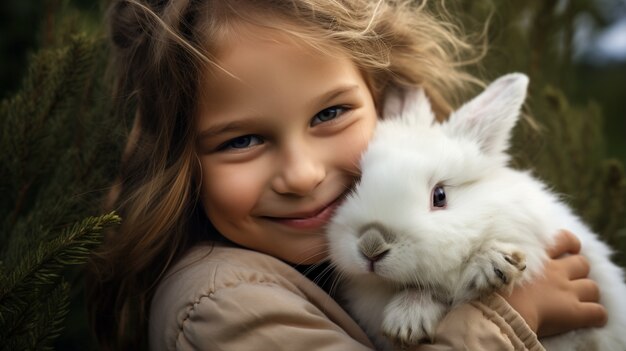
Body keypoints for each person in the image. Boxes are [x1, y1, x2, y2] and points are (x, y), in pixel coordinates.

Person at [87, 0, 608, 350]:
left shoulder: (327, 254)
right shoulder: (225, 306)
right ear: (180, 160)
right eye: (242, 140)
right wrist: (511, 316)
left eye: (329, 114)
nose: (303, 174)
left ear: (380, 95)